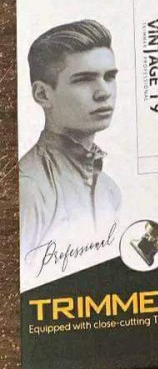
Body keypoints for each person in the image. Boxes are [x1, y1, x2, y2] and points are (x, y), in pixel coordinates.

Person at [19, 20, 121, 258]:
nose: (104, 92)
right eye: (84, 79)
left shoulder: (109, 190)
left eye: (109, 76)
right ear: (42, 94)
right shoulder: (29, 188)